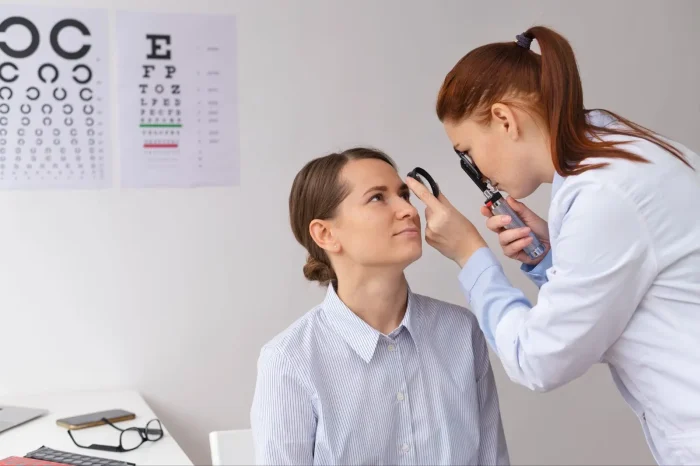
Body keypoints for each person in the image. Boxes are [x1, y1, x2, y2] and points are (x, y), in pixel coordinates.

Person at [404, 26, 700, 465]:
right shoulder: (632, 155)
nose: (477, 171)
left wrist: (471, 256)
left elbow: (538, 361)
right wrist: (550, 256)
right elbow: (611, 312)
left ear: (505, 120)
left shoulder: (604, 195)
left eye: (466, 152)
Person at [250, 147, 509, 465]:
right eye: (377, 198)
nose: (408, 210)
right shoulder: (289, 360)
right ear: (325, 233)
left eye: (404, 195)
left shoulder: (461, 332)